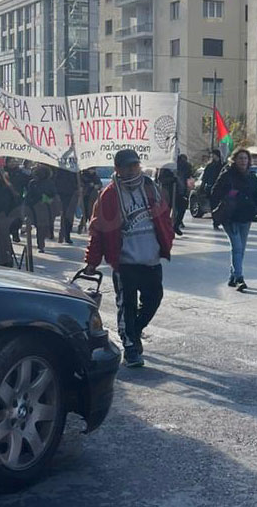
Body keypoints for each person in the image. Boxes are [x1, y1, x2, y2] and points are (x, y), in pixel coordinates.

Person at [84, 149, 174, 368]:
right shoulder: (109, 195)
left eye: (135, 165)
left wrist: (168, 239)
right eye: (127, 166)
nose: (132, 169)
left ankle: (134, 330)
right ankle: (131, 347)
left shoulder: (151, 188)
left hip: (150, 258)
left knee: (154, 299)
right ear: (118, 169)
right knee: (127, 306)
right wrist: (92, 261)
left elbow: (164, 218)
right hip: (125, 262)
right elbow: (98, 231)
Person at [210, 148, 257, 292]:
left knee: (240, 248)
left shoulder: (251, 176)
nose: (243, 161)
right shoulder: (227, 174)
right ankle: (239, 278)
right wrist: (228, 195)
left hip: (246, 216)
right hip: (230, 216)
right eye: (240, 158)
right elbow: (214, 192)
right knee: (237, 247)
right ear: (234, 160)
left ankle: (232, 277)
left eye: (245, 158)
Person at [25, 165, 57, 253]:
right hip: (34, 207)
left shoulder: (49, 183)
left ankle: (41, 245)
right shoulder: (32, 183)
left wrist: (47, 199)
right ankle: (41, 244)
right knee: (38, 226)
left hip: (45, 207)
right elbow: (29, 195)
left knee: (42, 227)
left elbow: (54, 195)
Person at [4, 157, 30, 243]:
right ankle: (7, 233)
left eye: (14, 161)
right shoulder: (2, 172)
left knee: (18, 218)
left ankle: (15, 233)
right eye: (10, 162)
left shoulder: (20, 173)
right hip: (5, 199)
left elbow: (27, 184)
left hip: (17, 199)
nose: (12, 163)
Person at [54, 168, 79, 245]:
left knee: (69, 216)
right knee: (65, 215)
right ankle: (63, 235)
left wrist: (78, 186)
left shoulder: (75, 170)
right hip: (62, 194)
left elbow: (77, 181)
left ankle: (66, 235)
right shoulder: (60, 169)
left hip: (71, 194)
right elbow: (56, 181)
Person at [201, 149, 223, 230]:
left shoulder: (222, 166)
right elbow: (205, 178)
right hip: (211, 188)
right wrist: (202, 187)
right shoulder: (209, 166)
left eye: (213, 155)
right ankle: (215, 222)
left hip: (221, 188)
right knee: (213, 205)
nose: (212, 157)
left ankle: (219, 220)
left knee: (221, 205)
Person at [77, 168, 103, 234]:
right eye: (91, 169)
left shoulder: (95, 176)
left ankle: (91, 228)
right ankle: (81, 227)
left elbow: (100, 184)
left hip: (93, 197)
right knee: (86, 213)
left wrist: (97, 186)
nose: (93, 171)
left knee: (91, 212)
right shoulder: (83, 176)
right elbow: (80, 184)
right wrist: (88, 185)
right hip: (85, 196)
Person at [173, 153, 193, 236]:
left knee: (181, 207)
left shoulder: (182, 165)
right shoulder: (170, 165)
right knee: (180, 208)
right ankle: (176, 224)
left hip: (179, 189)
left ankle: (176, 224)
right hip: (174, 190)